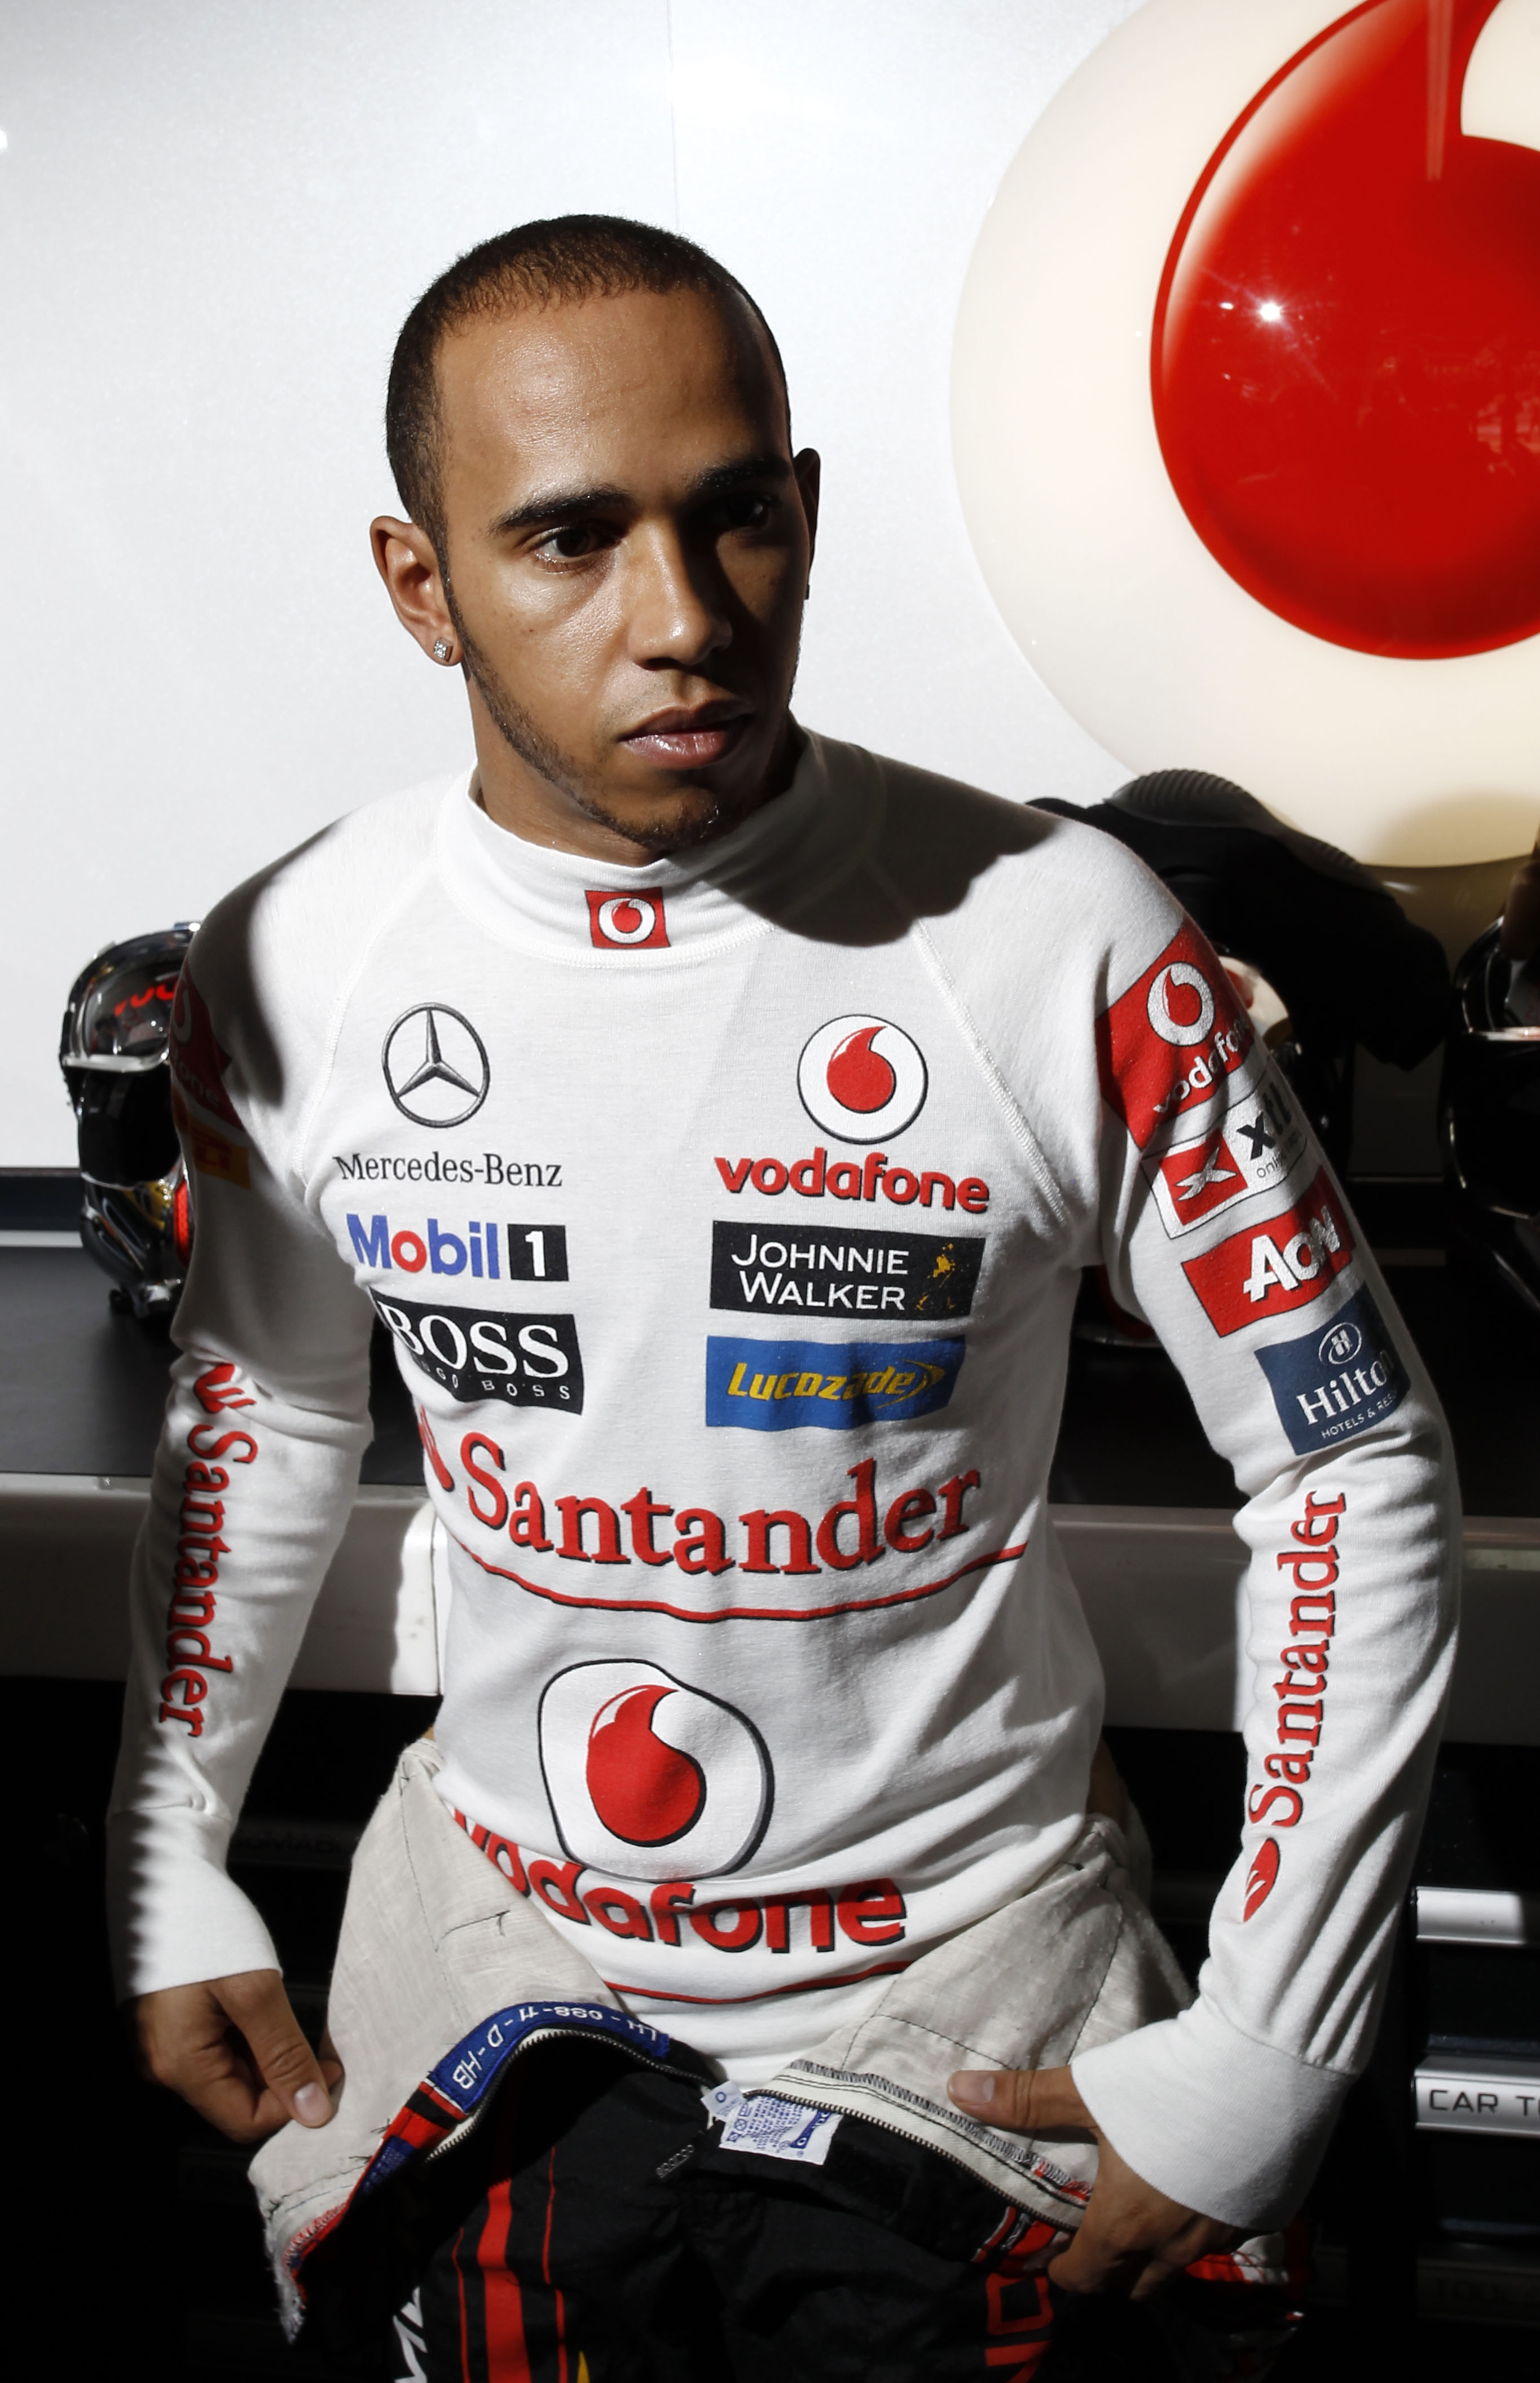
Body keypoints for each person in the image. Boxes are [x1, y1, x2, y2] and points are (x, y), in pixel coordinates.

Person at [111, 216, 1459, 2378]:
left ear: (805, 512)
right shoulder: (287, 959)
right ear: (419, 585)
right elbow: (265, 1407)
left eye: (735, 516)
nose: (683, 620)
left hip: (972, 2014)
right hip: (491, 1976)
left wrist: (1274, 2036)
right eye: (569, 539)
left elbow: (1351, 1458)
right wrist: (166, 1855)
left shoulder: (1060, 935)